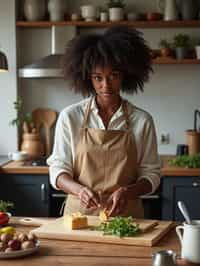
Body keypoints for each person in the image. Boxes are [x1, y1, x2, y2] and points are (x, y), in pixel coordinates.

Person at [47, 25, 160, 218]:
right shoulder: (70, 117)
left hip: (128, 218)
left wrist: (127, 192)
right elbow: (58, 169)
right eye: (98, 78)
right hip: (80, 217)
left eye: (113, 76)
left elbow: (152, 175)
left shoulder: (142, 121)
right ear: (87, 78)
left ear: (125, 76)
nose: (105, 85)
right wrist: (79, 190)